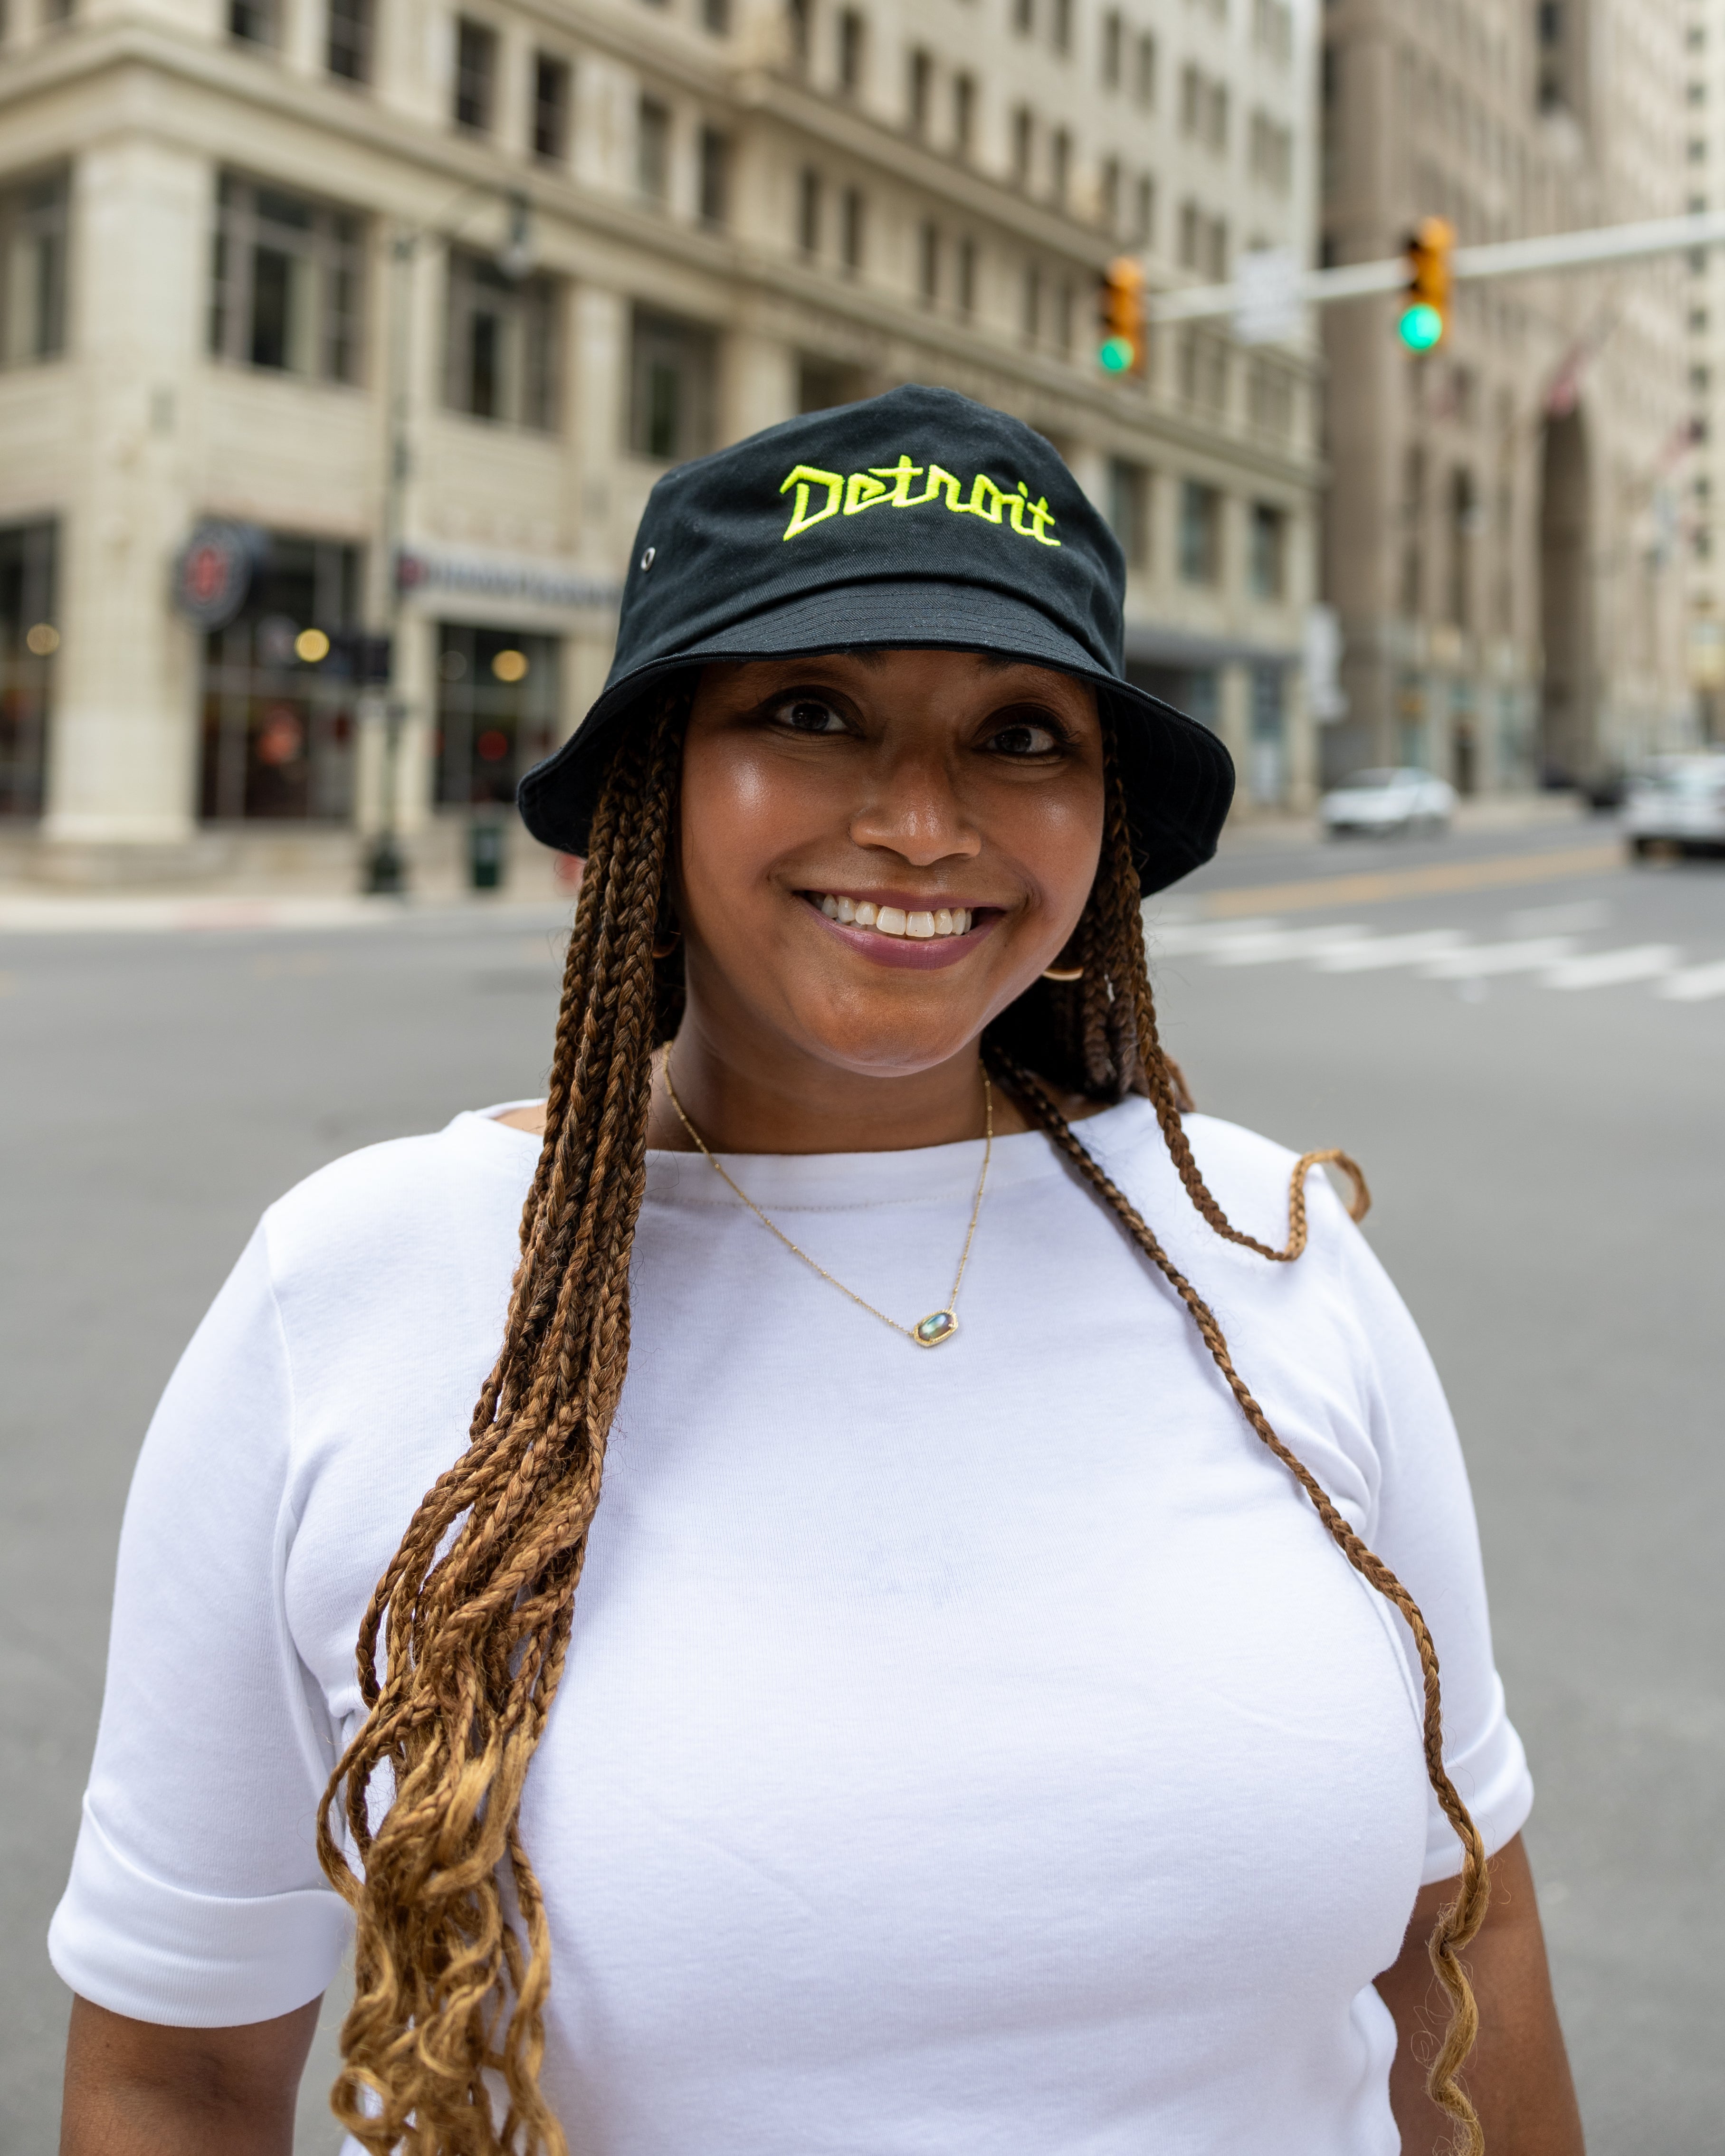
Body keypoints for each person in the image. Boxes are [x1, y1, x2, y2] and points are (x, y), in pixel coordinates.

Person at [53, 387, 1583, 2156]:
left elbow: (1470, 1934)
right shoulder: (353, 1289)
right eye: (810, 710)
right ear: (654, 777)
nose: (926, 822)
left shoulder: (1270, 1253)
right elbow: (180, 2070)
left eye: (1022, 735)